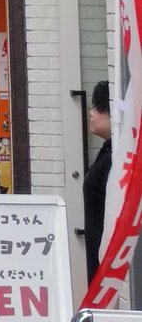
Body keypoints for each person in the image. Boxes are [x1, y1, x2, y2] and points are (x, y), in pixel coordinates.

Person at [84, 80, 112, 283]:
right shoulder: (108, 152)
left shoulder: (116, 157)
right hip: (99, 256)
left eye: (99, 107)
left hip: (108, 259)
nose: (92, 113)